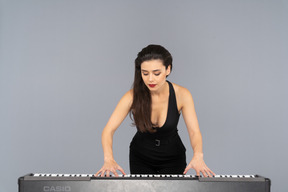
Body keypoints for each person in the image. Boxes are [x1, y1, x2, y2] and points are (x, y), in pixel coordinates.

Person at [96, 44, 214, 177]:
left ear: (168, 69)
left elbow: (194, 132)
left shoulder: (182, 94)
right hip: (141, 158)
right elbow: (108, 130)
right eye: (145, 73)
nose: (150, 79)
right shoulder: (132, 96)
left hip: (173, 158)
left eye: (156, 73)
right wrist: (108, 159)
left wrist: (198, 155)